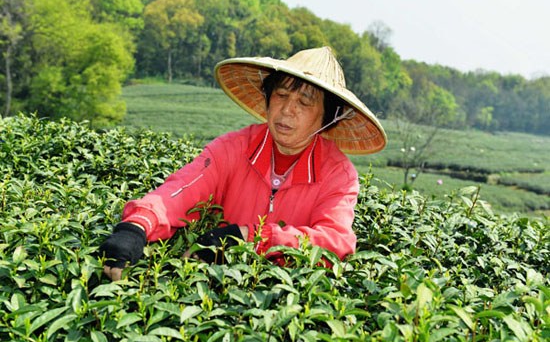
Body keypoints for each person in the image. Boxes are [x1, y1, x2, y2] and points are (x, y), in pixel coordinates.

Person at [99, 46, 387, 280]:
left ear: (326, 118)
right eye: (282, 95)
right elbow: (181, 191)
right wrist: (136, 226)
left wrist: (248, 237)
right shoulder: (234, 148)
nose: (288, 110)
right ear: (268, 99)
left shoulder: (338, 174)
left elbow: (335, 242)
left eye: (305, 102)